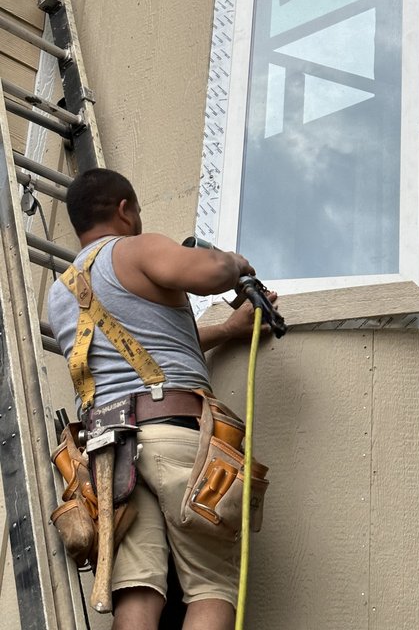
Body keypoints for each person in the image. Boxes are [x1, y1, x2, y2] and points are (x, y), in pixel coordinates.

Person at [48, 167, 269, 630]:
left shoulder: (61, 292)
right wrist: (235, 264)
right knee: (210, 586)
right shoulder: (136, 248)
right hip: (174, 438)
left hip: (109, 454)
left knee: (137, 594)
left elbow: (144, 346)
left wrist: (227, 330)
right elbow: (205, 273)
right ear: (125, 209)